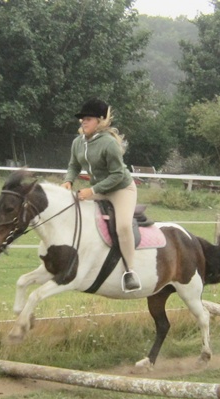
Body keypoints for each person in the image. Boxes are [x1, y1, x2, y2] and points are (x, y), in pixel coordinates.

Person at [62, 98, 142, 292]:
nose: (83, 121)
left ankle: (130, 272)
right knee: (71, 206)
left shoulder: (109, 144)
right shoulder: (78, 142)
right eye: (82, 119)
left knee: (123, 226)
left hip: (121, 190)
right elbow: (73, 165)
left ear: (100, 121)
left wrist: (92, 191)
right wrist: (68, 180)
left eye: (88, 118)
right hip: (99, 190)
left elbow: (117, 175)